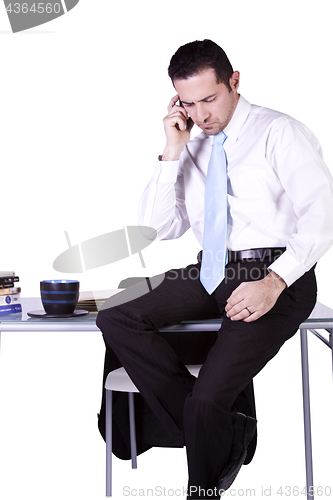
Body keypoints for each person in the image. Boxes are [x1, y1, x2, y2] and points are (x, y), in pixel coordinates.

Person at [96, 39, 333, 499]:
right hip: (209, 270)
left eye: (210, 99)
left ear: (234, 82)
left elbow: (323, 216)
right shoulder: (189, 141)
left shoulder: (279, 132)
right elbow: (160, 229)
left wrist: (275, 281)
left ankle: (201, 487)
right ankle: (220, 423)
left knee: (208, 398)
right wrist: (171, 150)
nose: (201, 114)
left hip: (275, 274)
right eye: (188, 102)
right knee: (116, 316)